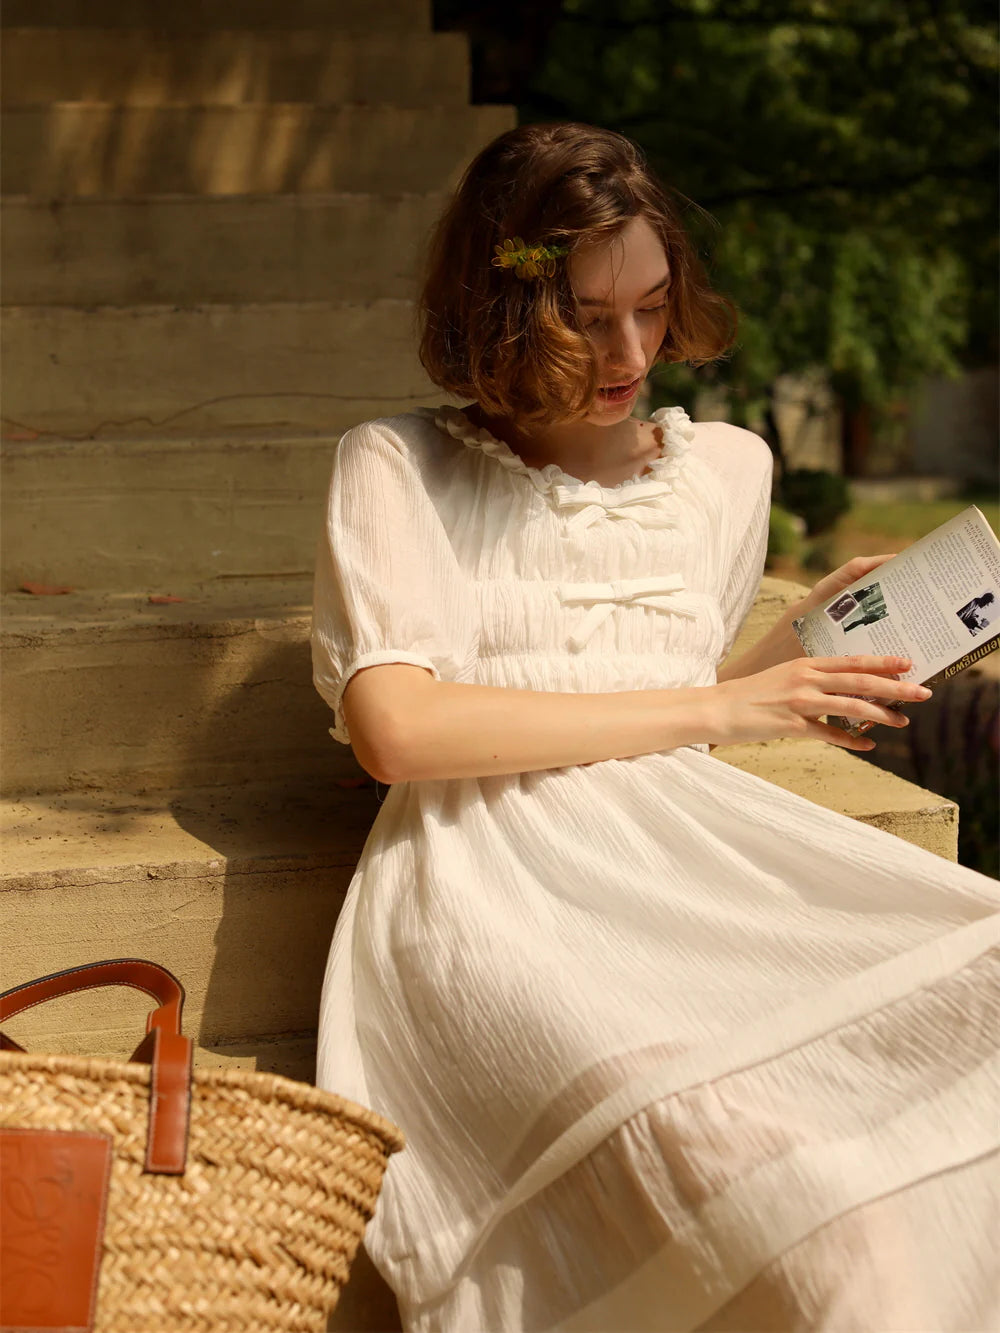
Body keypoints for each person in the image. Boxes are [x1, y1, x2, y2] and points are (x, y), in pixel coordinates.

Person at [311, 123, 1000, 1332]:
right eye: (585, 314)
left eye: (651, 302)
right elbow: (396, 733)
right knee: (795, 1196)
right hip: (495, 886)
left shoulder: (729, 467)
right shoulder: (395, 465)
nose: (631, 349)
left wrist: (801, 651)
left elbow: (663, 679)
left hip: (686, 852)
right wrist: (725, 706)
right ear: (506, 307)